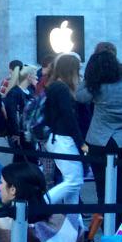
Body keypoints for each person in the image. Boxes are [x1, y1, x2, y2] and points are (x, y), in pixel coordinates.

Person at [76, 49, 122, 227]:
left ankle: (107, 226)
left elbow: (79, 96)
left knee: (102, 186)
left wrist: (91, 77)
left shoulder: (97, 88)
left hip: (100, 141)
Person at [42, 53, 86, 206]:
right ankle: (40, 204)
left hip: (57, 138)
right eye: (77, 69)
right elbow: (69, 118)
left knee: (73, 182)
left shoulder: (54, 86)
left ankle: (73, 223)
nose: (79, 73)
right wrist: (81, 142)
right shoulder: (61, 88)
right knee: (74, 181)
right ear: (70, 70)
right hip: (62, 139)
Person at [2, 64, 38, 158]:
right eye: (35, 75)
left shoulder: (30, 91)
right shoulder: (14, 92)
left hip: (28, 132)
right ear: (29, 77)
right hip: (19, 133)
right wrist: (15, 133)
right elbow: (12, 114)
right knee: (23, 158)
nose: (37, 77)